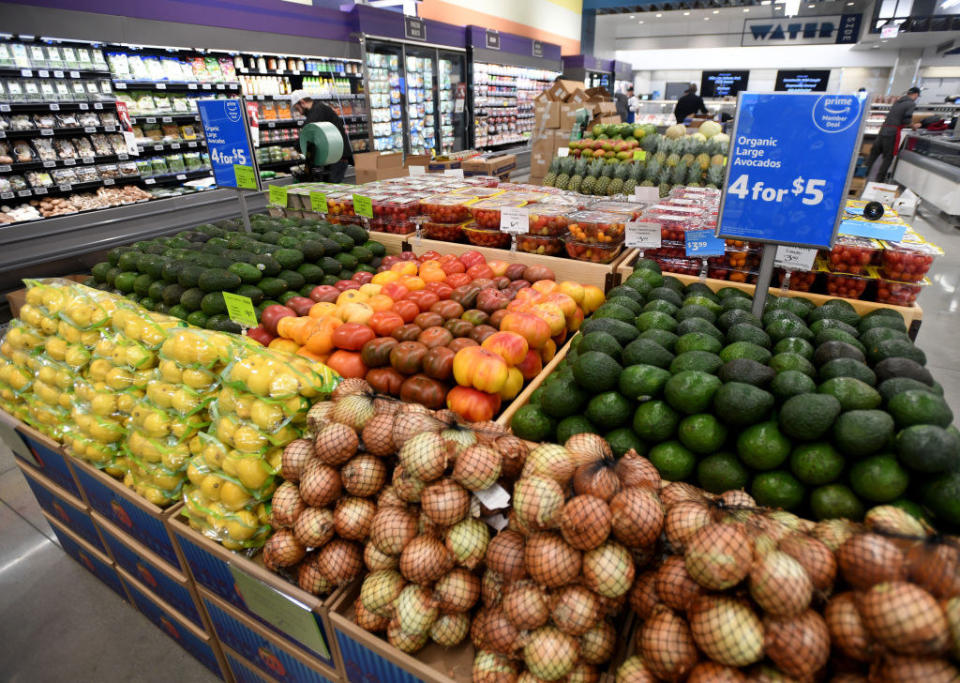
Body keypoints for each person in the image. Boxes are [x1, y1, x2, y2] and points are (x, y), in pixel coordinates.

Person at [290, 90, 353, 182]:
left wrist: (297, 146)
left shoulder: (318, 111)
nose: (299, 112)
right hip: (334, 158)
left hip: (336, 159)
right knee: (329, 190)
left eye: (297, 109)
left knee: (331, 191)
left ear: (302, 102)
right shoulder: (318, 109)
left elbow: (307, 135)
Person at [866, 86, 922, 182]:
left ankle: (862, 175)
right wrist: (913, 126)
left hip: (883, 131)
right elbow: (906, 119)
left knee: (873, 154)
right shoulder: (911, 103)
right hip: (892, 133)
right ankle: (879, 180)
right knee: (888, 157)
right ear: (916, 94)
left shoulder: (898, 102)